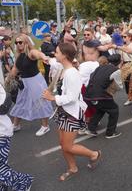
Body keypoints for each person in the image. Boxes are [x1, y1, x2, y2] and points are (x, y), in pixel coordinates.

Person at [42, 43, 101, 181]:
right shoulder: (64, 68)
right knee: (63, 144)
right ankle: (72, 168)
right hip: (63, 112)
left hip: (72, 114)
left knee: (68, 146)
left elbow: (72, 97)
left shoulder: (71, 73)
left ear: (64, 55)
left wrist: (53, 97)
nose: (54, 54)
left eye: (56, 52)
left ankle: (94, 154)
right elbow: (65, 90)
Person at [9, 34, 53, 136]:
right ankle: (16, 125)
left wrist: (44, 57)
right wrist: (8, 78)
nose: (18, 44)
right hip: (24, 83)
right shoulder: (18, 55)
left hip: (36, 82)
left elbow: (38, 54)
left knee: (41, 102)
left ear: (26, 42)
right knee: (20, 102)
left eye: (20, 42)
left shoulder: (31, 52)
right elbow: (15, 68)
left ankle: (45, 126)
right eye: (16, 42)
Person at [0, 84, 33, 191]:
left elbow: (3, 107)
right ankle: (3, 185)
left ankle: (24, 182)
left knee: (1, 168)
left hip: (2, 132)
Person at [84, 54, 123, 138]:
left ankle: (91, 128)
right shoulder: (116, 70)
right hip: (100, 96)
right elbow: (120, 87)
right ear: (120, 62)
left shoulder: (100, 67)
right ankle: (110, 132)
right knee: (114, 110)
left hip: (87, 94)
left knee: (101, 108)